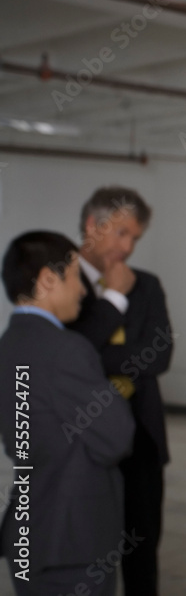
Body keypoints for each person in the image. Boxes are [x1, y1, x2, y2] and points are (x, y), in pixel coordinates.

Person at [0, 231, 134, 595]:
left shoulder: (9, 345)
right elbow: (116, 438)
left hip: (29, 531)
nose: (82, 290)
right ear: (48, 279)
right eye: (75, 276)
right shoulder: (65, 350)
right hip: (71, 539)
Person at [68, 186, 173, 595]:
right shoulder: (59, 282)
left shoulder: (146, 285)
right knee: (86, 557)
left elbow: (160, 357)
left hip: (142, 443)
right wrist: (114, 303)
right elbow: (71, 358)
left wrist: (98, 354)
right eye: (122, 234)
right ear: (93, 226)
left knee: (142, 558)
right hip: (81, 444)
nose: (128, 247)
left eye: (135, 238)